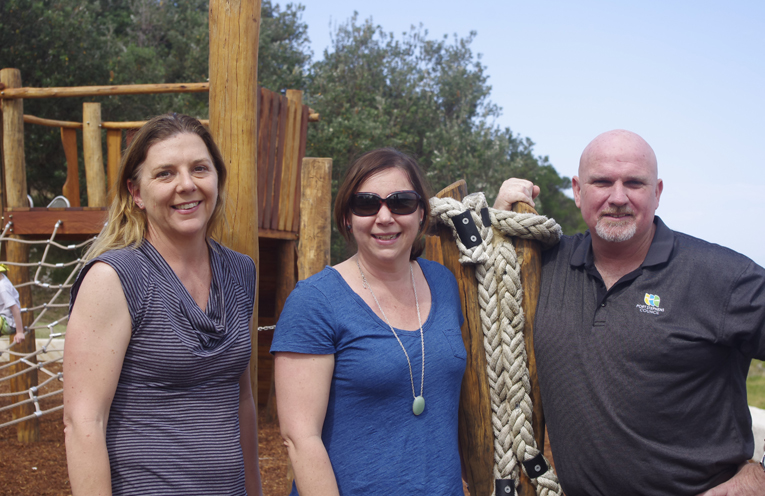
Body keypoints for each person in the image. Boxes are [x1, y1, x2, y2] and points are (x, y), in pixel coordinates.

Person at [494, 129, 765, 496]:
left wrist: (758, 478)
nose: (617, 198)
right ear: (577, 190)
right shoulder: (541, 265)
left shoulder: (723, 277)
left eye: (634, 183)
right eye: (602, 182)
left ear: (658, 192)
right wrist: (496, 223)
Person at [63, 113, 263, 496]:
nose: (186, 185)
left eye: (199, 169)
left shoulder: (241, 271)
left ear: (217, 179)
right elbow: (84, 420)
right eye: (165, 174)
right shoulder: (114, 278)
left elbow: (240, 397)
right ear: (136, 193)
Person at [271, 148, 466, 495]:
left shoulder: (444, 283)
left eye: (401, 202)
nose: (385, 216)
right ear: (347, 216)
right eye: (367, 204)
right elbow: (300, 438)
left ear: (422, 213)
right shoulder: (314, 301)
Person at [0, 264, 25, 345]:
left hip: (8, 323)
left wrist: (20, 332)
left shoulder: (3, 288)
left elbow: (15, 309)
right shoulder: (3, 277)